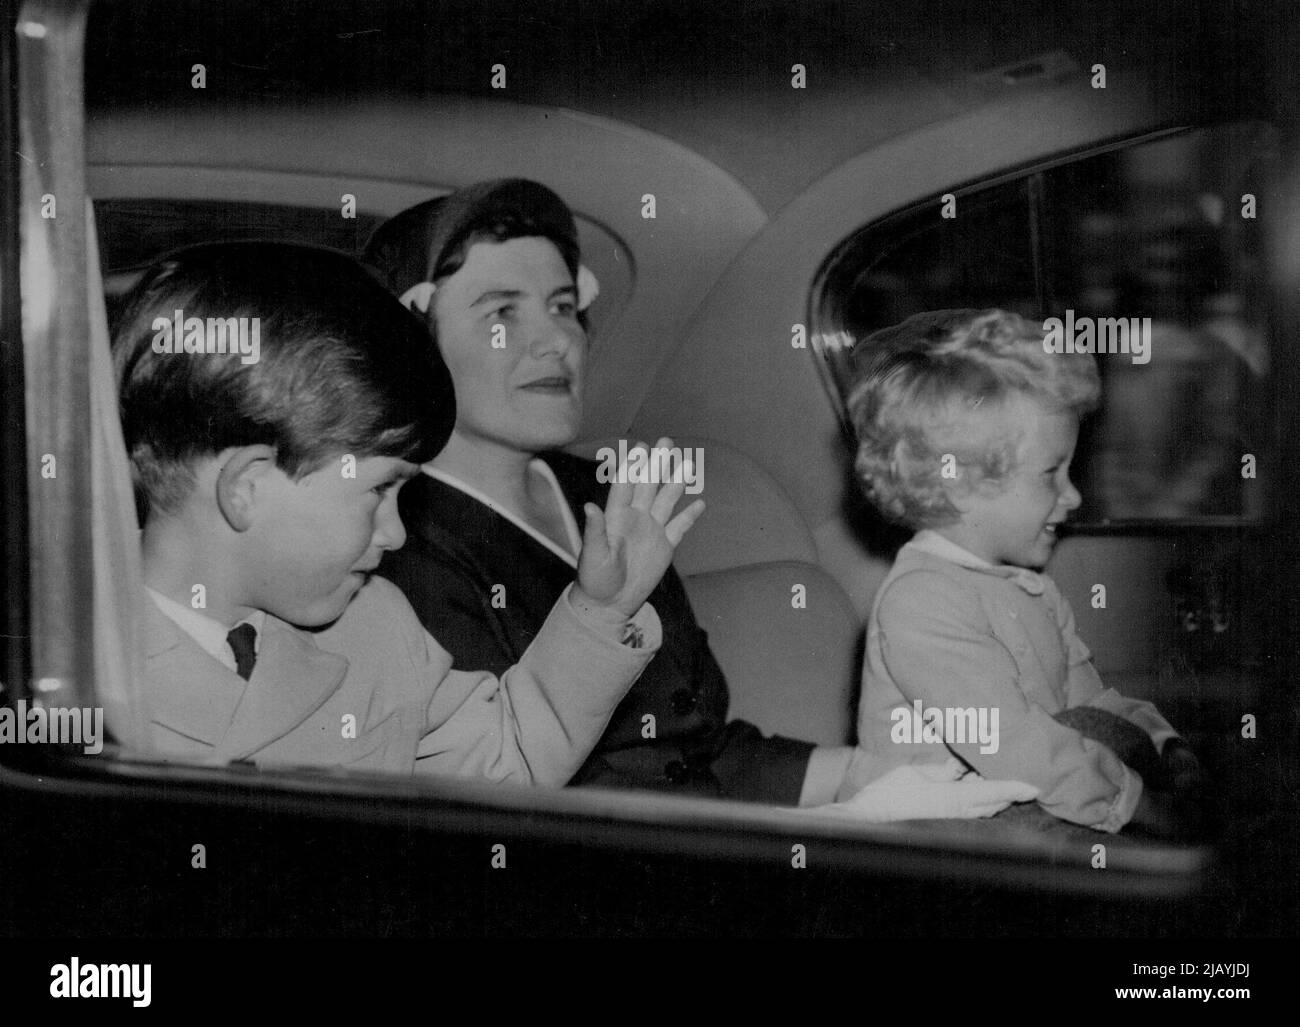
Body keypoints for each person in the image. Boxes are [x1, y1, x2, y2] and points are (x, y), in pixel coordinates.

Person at [363, 179, 1035, 817]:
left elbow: (694, 750)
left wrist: (867, 774)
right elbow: (522, 801)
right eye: (503, 310)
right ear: (411, 343)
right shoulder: (394, 543)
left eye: (564, 306)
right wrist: (844, 826)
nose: (557, 339)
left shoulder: (608, 490)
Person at [113, 240, 702, 783]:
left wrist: (601, 610)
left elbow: (510, 758)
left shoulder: (377, 626)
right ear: (247, 486)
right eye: (377, 491)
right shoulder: (72, 671)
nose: (395, 533)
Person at [842, 308, 1204, 831]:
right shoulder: (920, 600)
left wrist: (1166, 746)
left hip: (1028, 810)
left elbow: (1092, 702)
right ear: (961, 484)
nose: (1073, 496)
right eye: (1050, 475)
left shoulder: (1028, 587)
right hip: (948, 838)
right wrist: (1140, 805)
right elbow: (1016, 745)